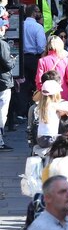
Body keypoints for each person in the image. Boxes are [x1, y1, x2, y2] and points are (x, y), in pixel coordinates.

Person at [36, 35, 68, 105]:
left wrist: (42, 91)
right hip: (64, 94)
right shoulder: (65, 60)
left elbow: (39, 80)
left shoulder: (42, 61)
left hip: (47, 96)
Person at [22, 4, 46, 109]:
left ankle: (22, 110)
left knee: (23, 85)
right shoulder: (38, 27)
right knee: (35, 84)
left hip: (21, 58)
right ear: (33, 13)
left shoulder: (20, 24)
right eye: (38, 11)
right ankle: (34, 107)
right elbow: (41, 47)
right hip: (33, 58)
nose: (39, 14)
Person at [0, 16, 16, 151]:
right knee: (1, 113)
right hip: (2, 81)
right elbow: (7, 63)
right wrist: (13, 60)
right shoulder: (2, 43)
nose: (6, 29)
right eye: (4, 26)